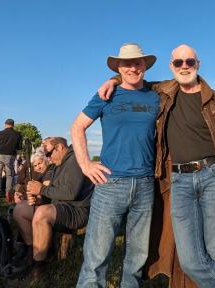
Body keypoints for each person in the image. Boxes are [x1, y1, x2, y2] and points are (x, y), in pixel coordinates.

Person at [97, 44, 215, 287]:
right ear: (171, 66)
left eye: (189, 61)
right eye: (178, 62)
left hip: (214, 177)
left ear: (197, 64)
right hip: (179, 181)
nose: (184, 66)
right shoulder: (163, 92)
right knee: (191, 259)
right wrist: (113, 79)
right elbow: (135, 78)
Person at [72, 43, 159, 287]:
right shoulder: (105, 94)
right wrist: (86, 165)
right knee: (97, 256)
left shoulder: (156, 96)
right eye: (126, 63)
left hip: (145, 184)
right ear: (118, 67)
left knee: (137, 257)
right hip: (111, 183)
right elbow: (77, 127)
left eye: (138, 63)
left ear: (145, 66)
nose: (133, 67)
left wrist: (112, 79)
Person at [12, 137, 93, 284]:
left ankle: (39, 268)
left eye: (48, 154)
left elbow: (70, 193)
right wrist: (38, 199)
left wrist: (41, 189)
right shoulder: (58, 164)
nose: (48, 158)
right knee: (20, 210)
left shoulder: (75, 158)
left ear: (60, 147)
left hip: (76, 210)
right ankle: (34, 252)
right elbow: (52, 194)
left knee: (42, 214)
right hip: (60, 206)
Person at [0, 118, 22, 202]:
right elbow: (19, 148)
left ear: (5, 124)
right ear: (13, 125)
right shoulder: (18, 134)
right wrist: (15, 157)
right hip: (10, 156)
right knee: (9, 175)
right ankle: (8, 193)